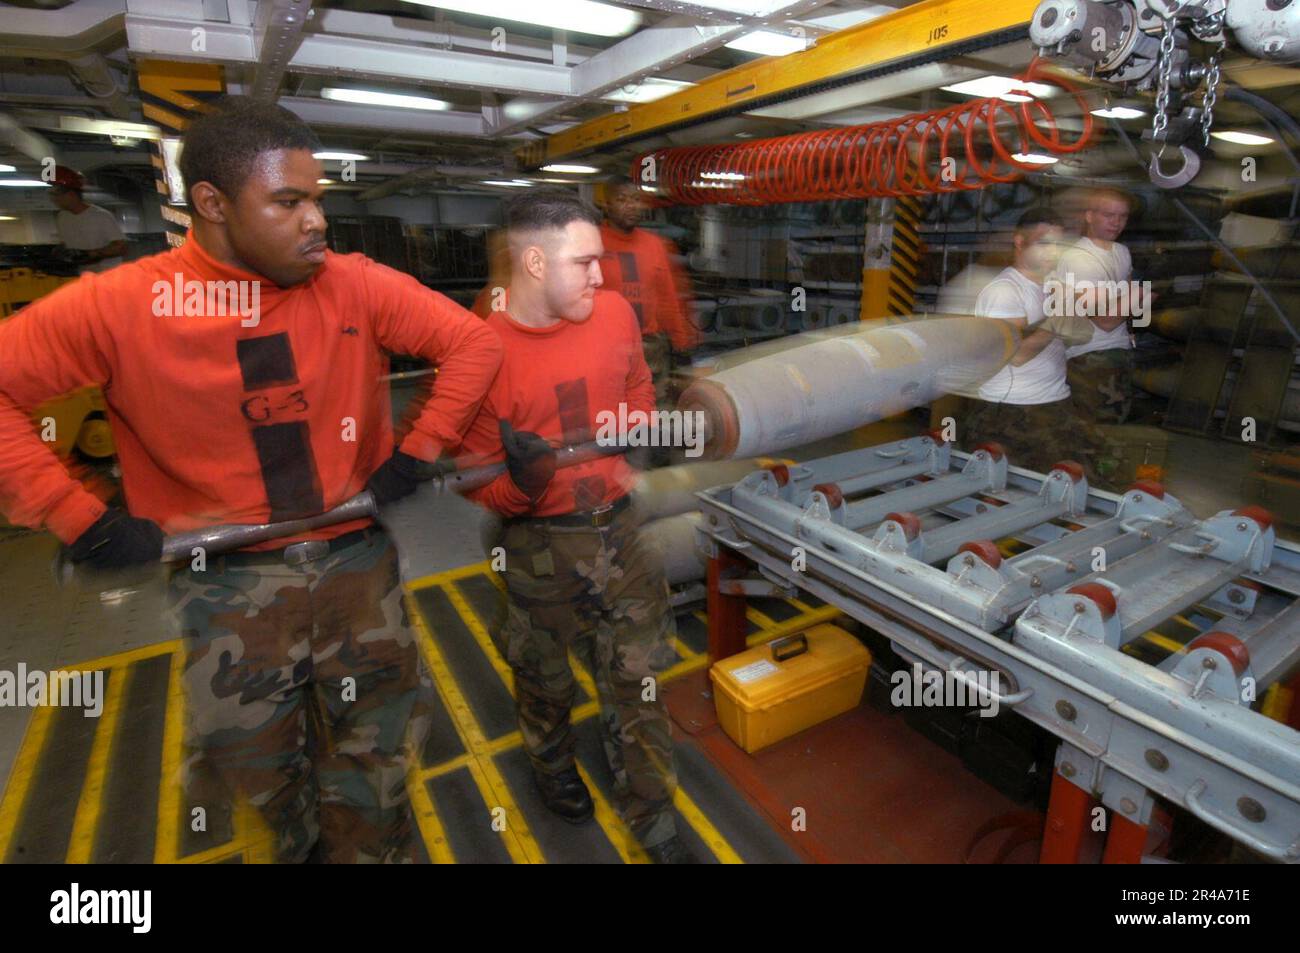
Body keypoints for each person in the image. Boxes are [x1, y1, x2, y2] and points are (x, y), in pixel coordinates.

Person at [0, 97, 503, 863]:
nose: (317, 222)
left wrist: (417, 448)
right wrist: (80, 517)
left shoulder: (353, 284)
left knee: (381, 750)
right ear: (212, 203)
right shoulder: (121, 306)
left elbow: (472, 344)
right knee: (259, 767)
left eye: (318, 201)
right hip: (224, 581)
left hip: (355, 563)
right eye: (288, 202)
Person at [458, 188, 696, 863]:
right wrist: (523, 483)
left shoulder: (614, 312)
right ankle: (551, 759)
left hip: (617, 527)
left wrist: (631, 420)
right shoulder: (482, 343)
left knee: (639, 674)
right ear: (534, 263)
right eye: (585, 262)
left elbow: (641, 385)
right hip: (537, 539)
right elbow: (476, 480)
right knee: (543, 674)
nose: (604, 275)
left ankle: (654, 818)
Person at [960, 207, 1110, 485]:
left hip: (1053, 402)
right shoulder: (1005, 291)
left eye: (1059, 245)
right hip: (1010, 411)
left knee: (1072, 486)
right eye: (1044, 243)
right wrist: (1057, 319)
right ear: (1020, 242)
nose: (1053, 252)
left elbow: (1081, 333)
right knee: (1005, 495)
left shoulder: (1050, 285)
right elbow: (1014, 356)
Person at [598, 176, 698, 413]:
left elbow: (667, 297)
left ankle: (652, 448)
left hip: (651, 348)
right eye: (621, 199)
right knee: (611, 413)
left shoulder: (655, 245)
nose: (631, 205)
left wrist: (681, 342)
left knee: (655, 411)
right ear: (607, 204)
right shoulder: (592, 243)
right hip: (607, 348)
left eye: (635, 199)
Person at [1055, 187, 1142, 424]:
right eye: (1108, 215)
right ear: (1089, 216)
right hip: (1090, 356)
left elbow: (1125, 303)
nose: (1116, 223)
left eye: (1122, 216)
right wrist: (1140, 298)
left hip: (1117, 350)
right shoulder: (1079, 258)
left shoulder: (1121, 252)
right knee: (1094, 430)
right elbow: (1105, 321)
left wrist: (1131, 301)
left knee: (1114, 428)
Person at [49, 166, 127, 273]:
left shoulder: (101, 216)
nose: (54, 199)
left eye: (56, 194)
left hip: (107, 275)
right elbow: (66, 244)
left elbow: (120, 248)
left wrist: (92, 254)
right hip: (84, 276)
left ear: (71, 194)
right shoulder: (62, 217)